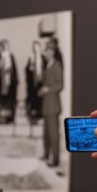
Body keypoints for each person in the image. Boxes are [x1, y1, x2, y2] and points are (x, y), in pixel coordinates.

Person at [39, 38, 63, 167]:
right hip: (46, 105)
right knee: (46, 133)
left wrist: (48, 89)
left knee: (54, 134)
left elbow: (60, 85)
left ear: (52, 51)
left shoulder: (56, 65)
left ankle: (55, 159)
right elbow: (43, 81)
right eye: (45, 50)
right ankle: (46, 154)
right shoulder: (47, 65)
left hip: (53, 105)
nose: (46, 53)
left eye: (47, 50)